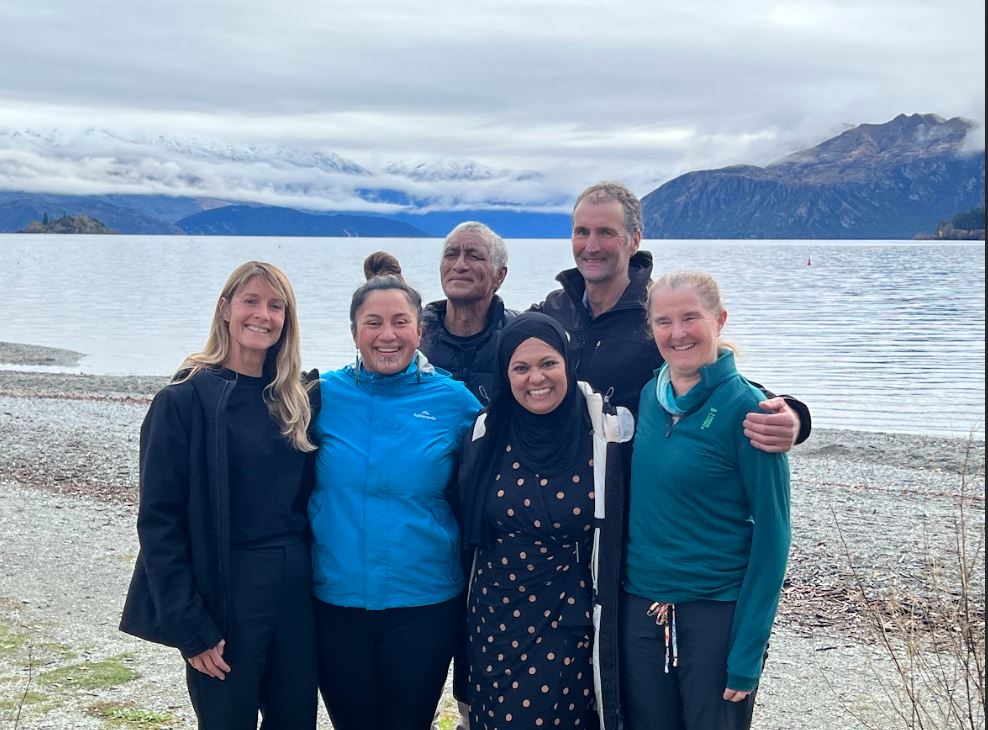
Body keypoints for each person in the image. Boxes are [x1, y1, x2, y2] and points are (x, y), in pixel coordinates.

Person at [120, 261, 319, 729]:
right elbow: (158, 523)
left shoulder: (296, 399)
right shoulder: (183, 400)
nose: (263, 315)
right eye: (251, 301)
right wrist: (189, 627)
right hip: (224, 589)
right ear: (226, 308)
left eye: (276, 306)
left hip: (295, 590)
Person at [308, 252, 481, 730]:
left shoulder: (453, 401)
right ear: (354, 332)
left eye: (400, 322)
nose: (388, 335)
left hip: (424, 603)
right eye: (373, 323)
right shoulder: (321, 396)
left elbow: (498, 478)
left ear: (419, 331)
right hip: (336, 600)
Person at [621, 270, 790, 730]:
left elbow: (774, 537)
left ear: (719, 320)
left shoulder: (750, 410)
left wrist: (748, 651)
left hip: (715, 616)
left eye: (690, 318)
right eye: (663, 321)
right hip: (641, 609)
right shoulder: (650, 396)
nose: (677, 333)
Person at [531, 181, 810, 451]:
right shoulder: (553, 310)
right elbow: (499, 338)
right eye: (582, 232)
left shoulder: (659, 316)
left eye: (605, 232)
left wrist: (791, 414)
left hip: (628, 487)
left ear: (634, 240)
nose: (591, 246)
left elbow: (719, 378)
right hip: (561, 483)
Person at [459, 312, 634, 730]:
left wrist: (790, 413)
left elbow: (683, 381)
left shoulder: (604, 430)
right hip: (495, 616)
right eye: (520, 367)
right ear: (506, 374)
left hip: (570, 614)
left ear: (569, 364)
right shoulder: (487, 431)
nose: (535, 378)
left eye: (548, 363)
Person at [420, 221, 517, 402]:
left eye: (474, 256)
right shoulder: (413, 335)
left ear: (499, 275)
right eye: (451, 255)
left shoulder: (519, 337)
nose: (459, 265)